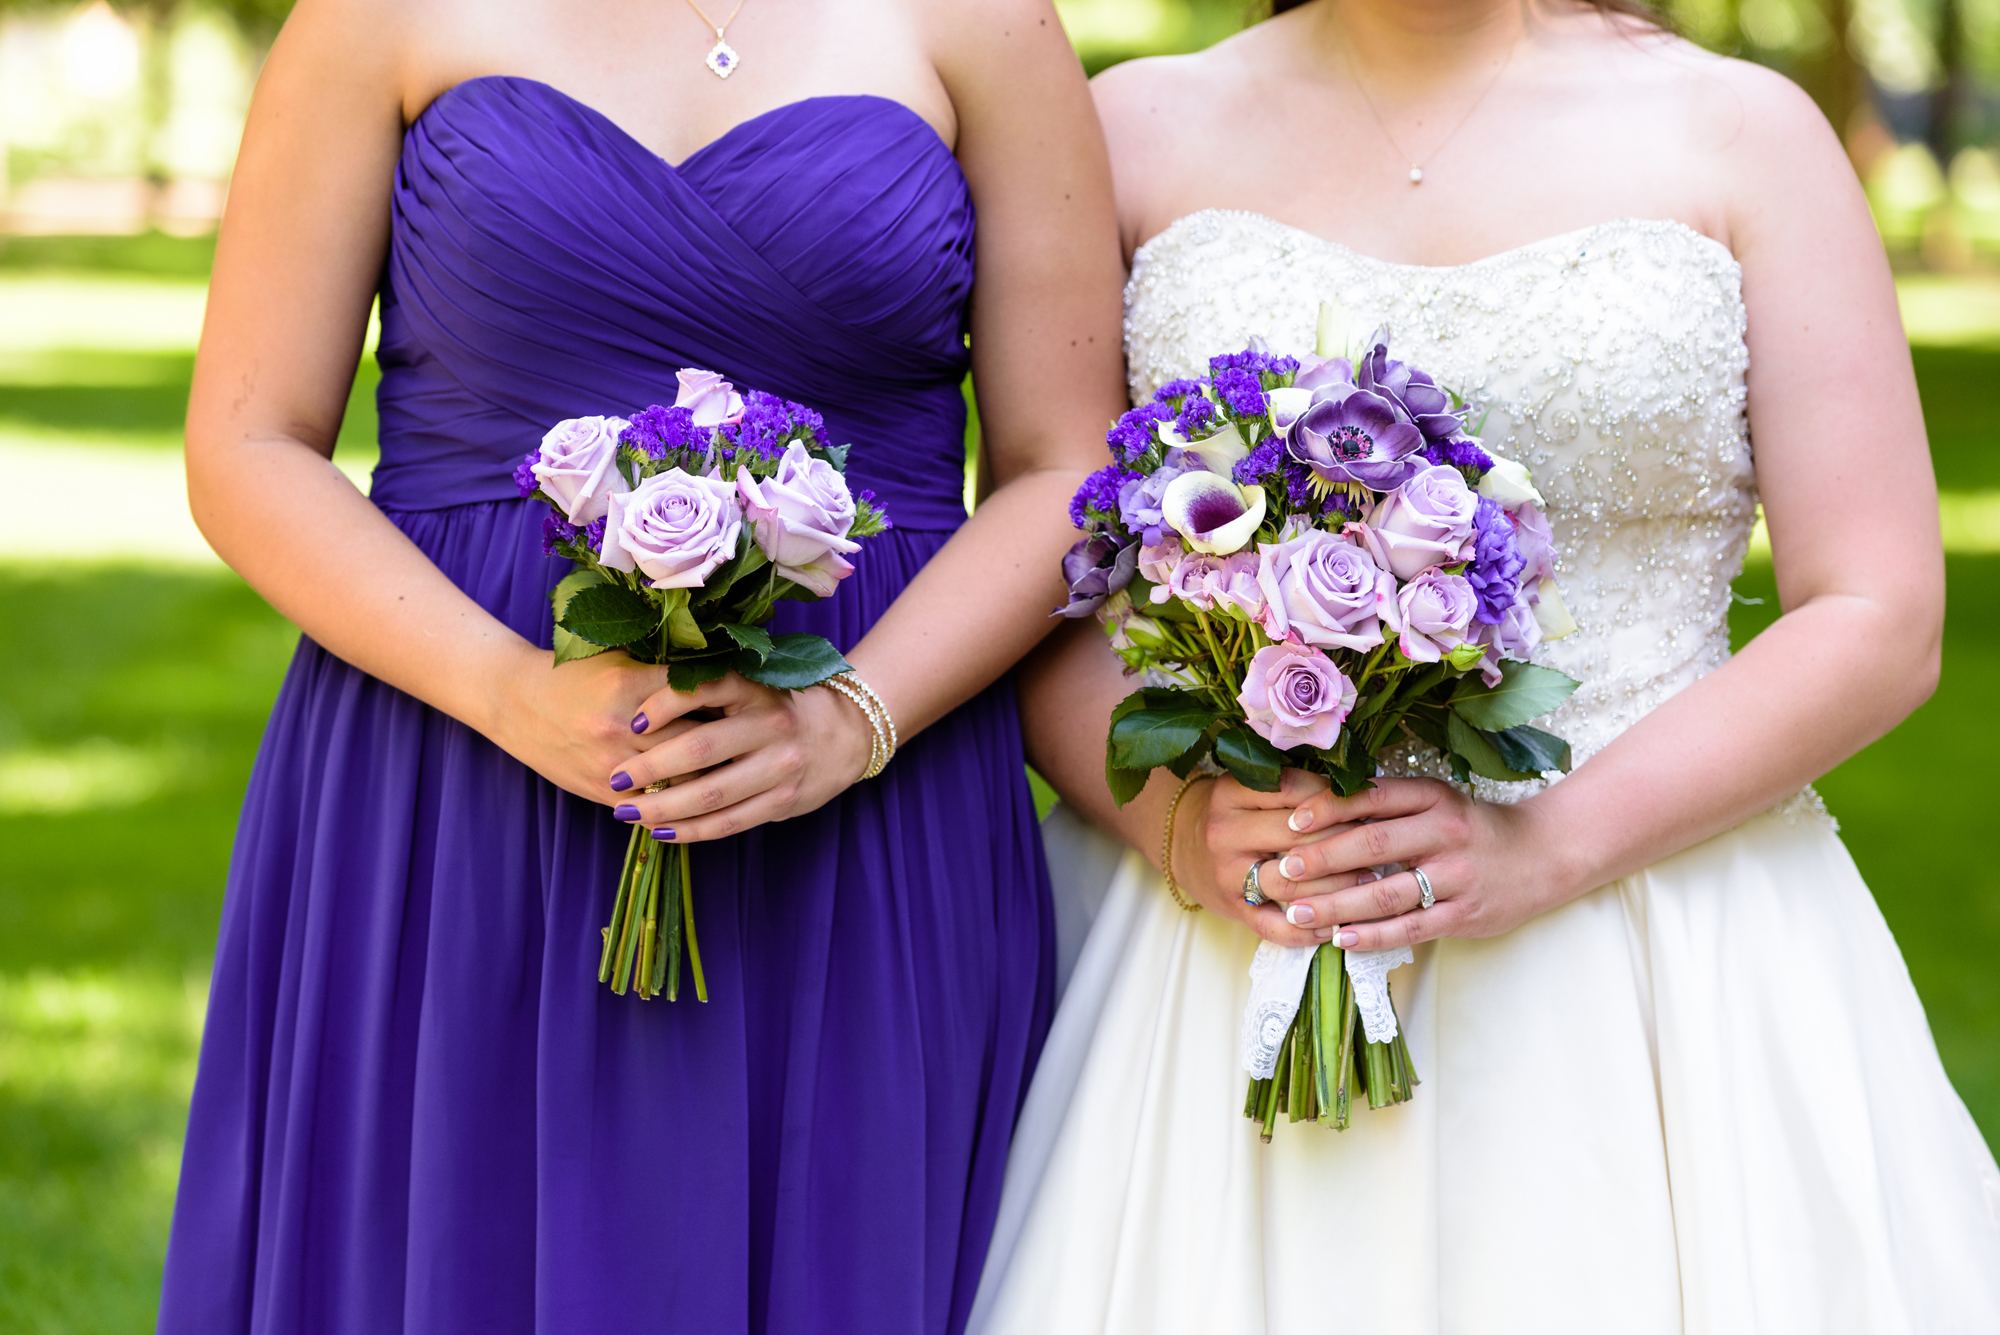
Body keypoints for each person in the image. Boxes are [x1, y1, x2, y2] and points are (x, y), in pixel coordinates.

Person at [976, 0, 2000, 1330]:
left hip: (1652, 938)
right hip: (1227, 938)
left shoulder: (1745, 134)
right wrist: (1186, 828)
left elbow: (1877, 610)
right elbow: (1043, 582)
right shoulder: (1128, 129)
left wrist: (1546, 849)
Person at [161, 0, 1125, 1329]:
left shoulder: (985, 21)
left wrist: (856, 716)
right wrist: (508, 687)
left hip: (869, 790)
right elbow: (247, 442)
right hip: (454, 771)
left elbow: (1067, 465)